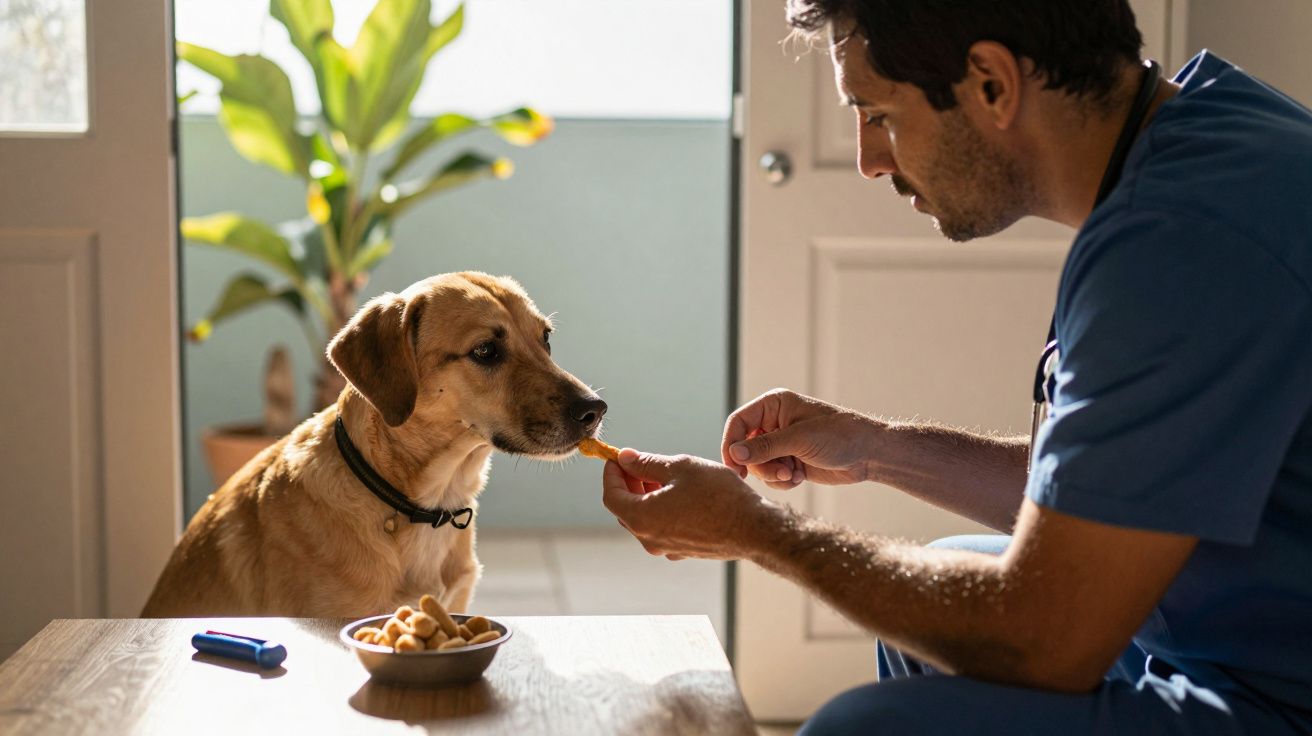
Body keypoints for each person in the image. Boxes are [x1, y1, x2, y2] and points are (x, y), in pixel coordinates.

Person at [599, 1, 1312, 734]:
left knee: (866, 725)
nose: (869, 159)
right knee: (940, 605)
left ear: (993, 85)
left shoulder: (1179, 248)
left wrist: (758, 533)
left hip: (1274, 699)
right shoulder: (1207, 134)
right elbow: (1114, 491)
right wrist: (874, 447)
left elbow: (1042, 638)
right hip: (1234, 646)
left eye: (878, 114)